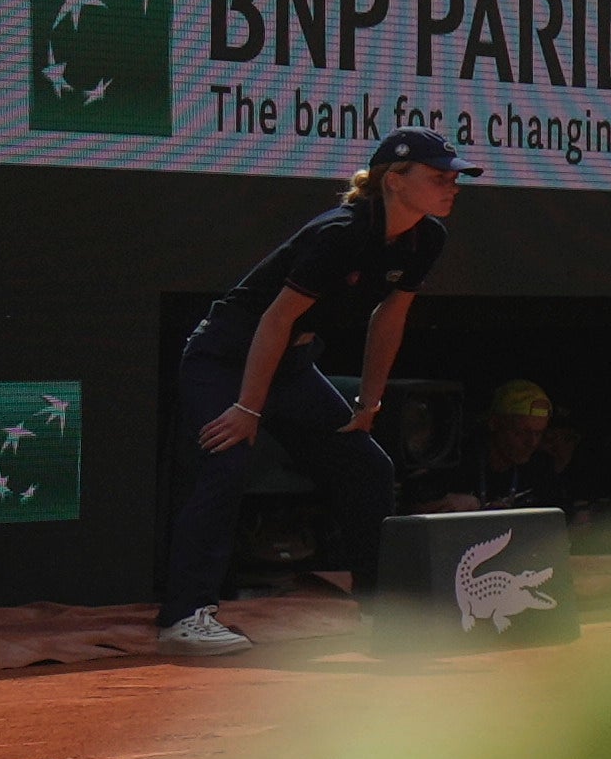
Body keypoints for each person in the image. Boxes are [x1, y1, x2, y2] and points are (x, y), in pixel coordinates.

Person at [163, 129, 456, 653]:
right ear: (394, 181)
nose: (452, 186)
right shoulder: (341, 233)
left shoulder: (426, 238)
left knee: (368, 466)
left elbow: (390, 317)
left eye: (454, 177)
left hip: (293, 369)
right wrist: (247, 407)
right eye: (439, 177)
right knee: (226, 465)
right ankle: (185, 617)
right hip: (226, 360)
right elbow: (275, 319)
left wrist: (369, 402)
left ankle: (381, 610)